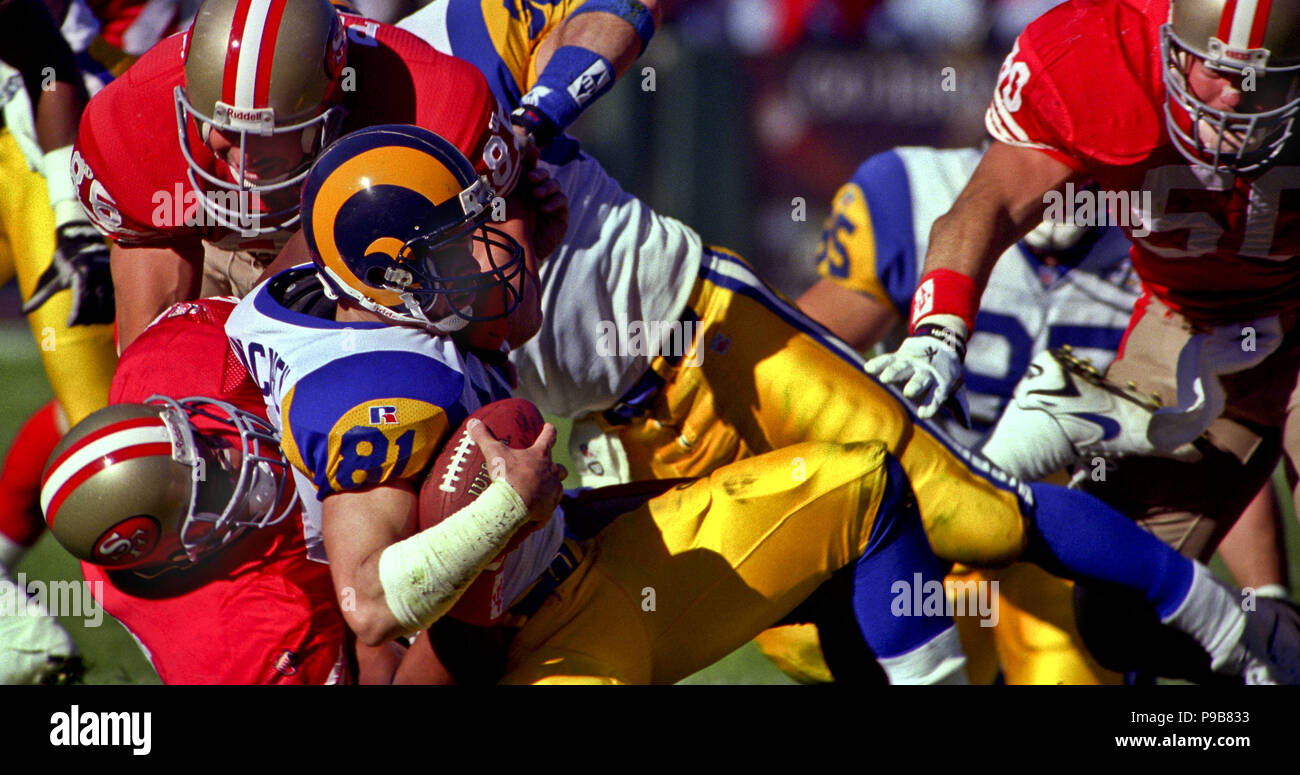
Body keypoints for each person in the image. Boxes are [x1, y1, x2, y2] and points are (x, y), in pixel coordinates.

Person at [232, 124, 1293, 684]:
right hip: (600, 482)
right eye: (453, 248)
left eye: (479, 225)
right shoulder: (380, 389)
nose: (494, 253)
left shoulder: (369, 297)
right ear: (382, 282)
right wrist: (509, 504)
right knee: (800, 621)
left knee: (964, 511)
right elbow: (373, 602)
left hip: (719, 349)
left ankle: (1228, 634)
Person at [863, 0, 1300, 674]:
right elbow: (989, 204)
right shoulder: (1098, 54)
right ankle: (1269, 655)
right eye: (1215, 70)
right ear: (1172, 43)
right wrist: (936, 336)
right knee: (1117, 615)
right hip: (1191, 320)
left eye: (1259, 79)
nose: (1233, 97)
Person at [72, 0, 522, 352]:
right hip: (213, 238)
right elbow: (148, 365)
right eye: (222, 126)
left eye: (269, 132)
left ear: (331, 107)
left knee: (412, 381)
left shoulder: (426, 104)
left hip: (369, 255)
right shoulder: (133, 117)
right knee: (164, 381)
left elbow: (504, 325)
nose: (240, 151)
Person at [38, 296, 351, 684]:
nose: (235, 458)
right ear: (179, 557)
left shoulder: (171, 357)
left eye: (205, 444)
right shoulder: (246, 641)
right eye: (212, 484)